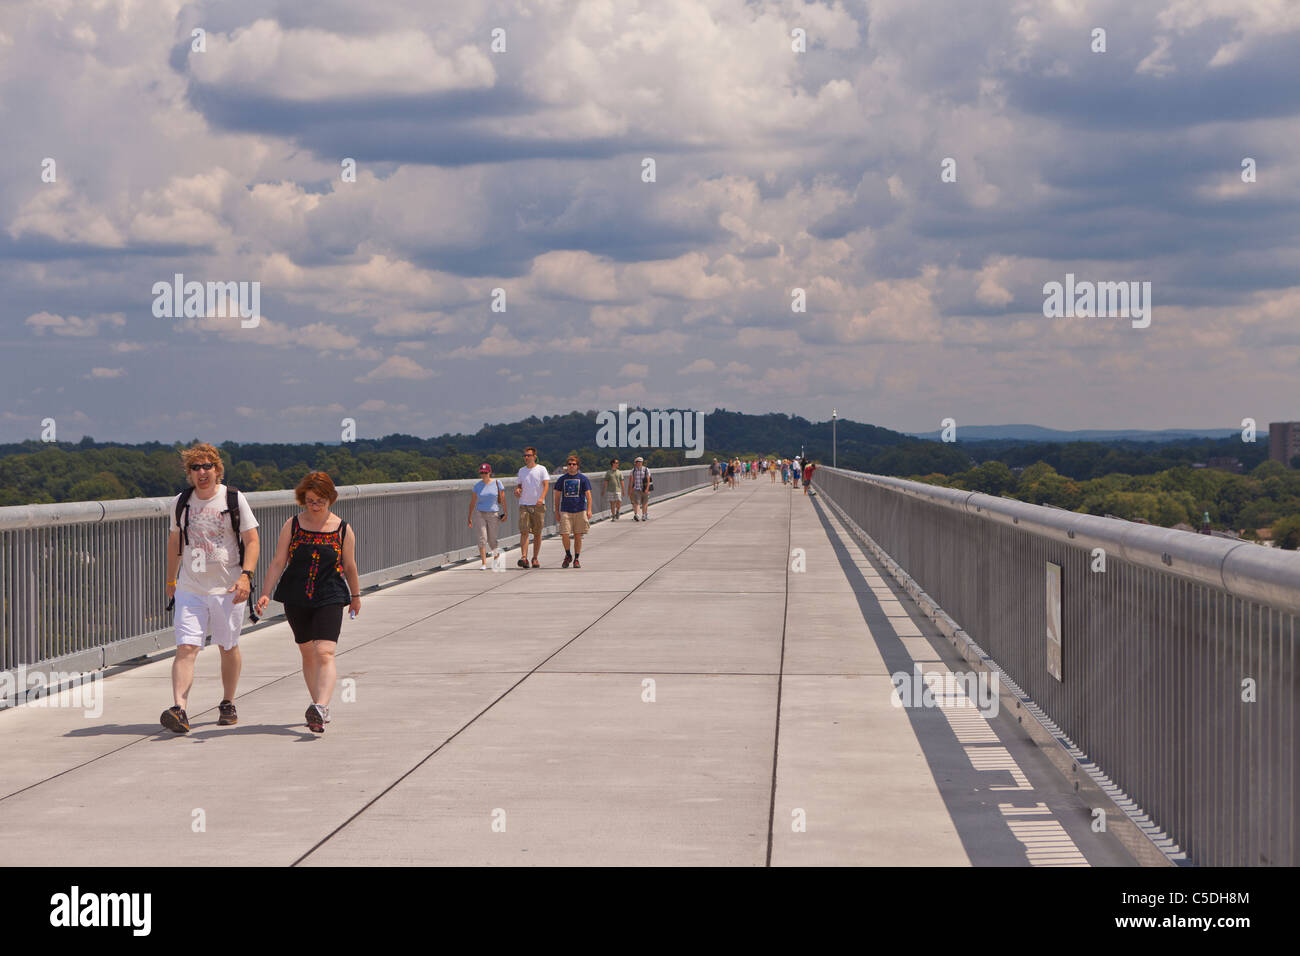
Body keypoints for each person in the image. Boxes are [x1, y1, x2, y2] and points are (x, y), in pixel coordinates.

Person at [161, 443, 260, 734]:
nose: (202, 472)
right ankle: (179, 708)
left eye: (207, 466)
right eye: (196, 467)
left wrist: (246, 577)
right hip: (191, 588)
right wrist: (171, 580)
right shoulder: (181, 502)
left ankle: (228, 702)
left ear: (217, 469)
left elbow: (252, 541)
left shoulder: (233, 498)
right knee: (186, 647)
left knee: (227, 646)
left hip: (227, 588)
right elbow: (175, 542)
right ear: (189, 473)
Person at [255, 471, 361, 733]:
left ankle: (321, 707)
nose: (315, 506)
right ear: (303, 499)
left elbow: (349, 565)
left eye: (320, 501)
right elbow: (278, 561)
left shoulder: (342, 529)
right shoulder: (292, 525)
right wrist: (266, 592)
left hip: (331, 595)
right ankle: (317, 707)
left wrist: (356, 596)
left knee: (325, 651)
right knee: (307, 651)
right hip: (296, 595)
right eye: (310, 500)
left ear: (330, 499)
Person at [553, 455, 593, 567]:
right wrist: (556, 511)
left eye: (573, 464)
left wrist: (589, 509)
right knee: (564, 533)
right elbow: (556, 496)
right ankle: (568, 554)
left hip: (580, 509)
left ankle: (576, 558)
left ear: (577, 466)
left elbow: (588, 495)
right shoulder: (562, 479)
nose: (571, 466)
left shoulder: (583, 478)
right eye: (569, 464)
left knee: (578, 535)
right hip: (565, 510)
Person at [468, 462, 507, 569]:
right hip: (480, 513)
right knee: (482, 538)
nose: (484, 474)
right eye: (482, 472)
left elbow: (503, 499)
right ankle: (484, 563)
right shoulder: (477, 486)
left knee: (492, 539)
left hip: (493, 513)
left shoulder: (497, 483)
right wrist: (469, 517)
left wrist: (506, 513)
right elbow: (472, 502)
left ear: (490, 472)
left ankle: (496, 557)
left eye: (485, 472)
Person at [515, 446, 550, 567]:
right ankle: (524, 557)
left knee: (537, 533)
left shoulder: (541, 469)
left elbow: (546, 485)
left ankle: (535, 558)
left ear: (534, 457)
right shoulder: (521, 470)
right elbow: (519, 485)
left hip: (538, 505)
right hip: (524, 504)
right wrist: (518, 490)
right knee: (524, 531)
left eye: (528, 455)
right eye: (524, 455)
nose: (526, 457)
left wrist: (541, 498)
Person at [627, 456, 652, 520]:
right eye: (637, 462)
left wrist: (647, 489)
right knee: (637, 503)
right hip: (636, 489)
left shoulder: (646, 469)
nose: (639, 463)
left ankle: (643, 515)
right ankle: (637, 515)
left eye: (640, 462)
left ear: (642, 463)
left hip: (644, 489)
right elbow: (631, 481)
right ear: (635, 463)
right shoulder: (633, 470)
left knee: (644, 503)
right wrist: (630, 490)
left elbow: (648, 480)